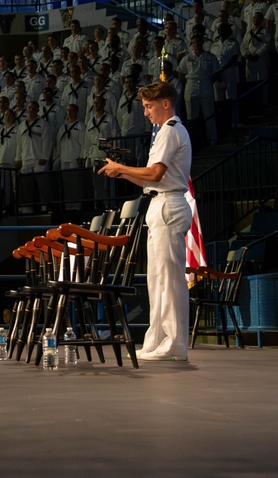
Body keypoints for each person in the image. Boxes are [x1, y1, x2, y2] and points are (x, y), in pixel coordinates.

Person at [99, 82, 192, 362]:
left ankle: (174, 344)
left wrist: (122, 167)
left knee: (169, 279)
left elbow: (155, 174)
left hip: (169, 204)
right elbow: (150, 179)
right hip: (160, 202)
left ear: (166, 104)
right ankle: (157, 340)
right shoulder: (167, 131)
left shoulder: (170, 129)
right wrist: (122, 173)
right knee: (156, 279)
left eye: (149, 106)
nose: (146, 113)